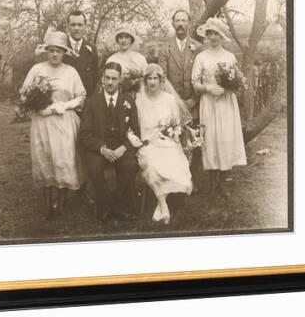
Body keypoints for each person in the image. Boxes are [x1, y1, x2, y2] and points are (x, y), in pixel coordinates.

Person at [21, 31, 87, 220]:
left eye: (58, 51)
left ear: (64, 52)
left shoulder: (71, 72)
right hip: (42, 122)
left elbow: (81, 96)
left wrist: (64, 105)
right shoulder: (36, 69)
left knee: (63, 160)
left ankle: (61, 203)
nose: (55, 54)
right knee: (45, 159)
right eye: (51, 50)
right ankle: (47, 204)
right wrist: (38, 107)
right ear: (46, 51)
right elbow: (25, 93)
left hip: (64, 121)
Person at [131, 63, 193, 224]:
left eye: (155, 78)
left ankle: (160, 204)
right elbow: (132, 125)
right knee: (152, 164)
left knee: (173, 161)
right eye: (149, 78)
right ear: (145, 81)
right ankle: (163, 205)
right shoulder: (138, 100)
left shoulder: (169, 99)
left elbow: (176, 122)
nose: (152, 82)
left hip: (167, 141)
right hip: (147, 143)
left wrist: (174, 135)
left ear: (161, 80)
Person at [79, 62, 140, 224]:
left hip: (121, 147)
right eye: (107, 78)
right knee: (94, 168)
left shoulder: (128, 101)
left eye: (114, 78)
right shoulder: (92, 102)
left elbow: (136, 132)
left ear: (120, 80)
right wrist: (101, 148)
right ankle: (116, 206)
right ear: (102, 79)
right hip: (99, 148)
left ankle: (109, 206)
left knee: (130, 165)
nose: (110, 82)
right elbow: (84, 135)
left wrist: (124, 147)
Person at [191, 18, 247, 198]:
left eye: (216, 33)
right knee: (211, 139)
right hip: (208, 103)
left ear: (222, 36)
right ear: (206, 36)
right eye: (210, 33)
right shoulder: (201, 57)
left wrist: (228, 88)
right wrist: (208, 88)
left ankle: (222, 182)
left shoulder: (229, 56)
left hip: (225, 103)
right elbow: (195, 82)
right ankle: (212, 181)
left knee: (225, 139)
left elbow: (237, 80)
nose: (213, 37)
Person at [158, 9, 203, 111]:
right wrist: (175, 100)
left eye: (183, 20)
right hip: (172, 104)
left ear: (189, 23)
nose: (180, 24)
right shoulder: (165, 49)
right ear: (173, 24)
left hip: (195, 104)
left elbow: (202, 76)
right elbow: (162, 78)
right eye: (177, 21)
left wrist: (194, 99)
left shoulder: (198, 47)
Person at [62, 10, 100, 97]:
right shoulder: (61, 47)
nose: (76, 28)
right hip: (64, 99)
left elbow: (95, 77)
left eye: (80, 25)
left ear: (85, 26)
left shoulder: (92, 48)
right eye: (73, 25)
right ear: (68, 26)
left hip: (86, 100)